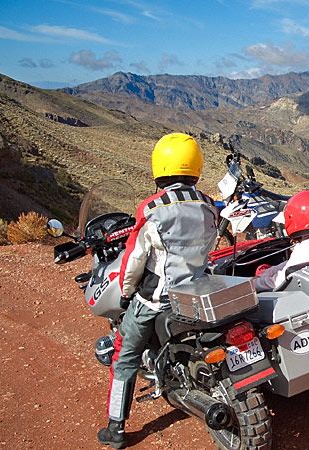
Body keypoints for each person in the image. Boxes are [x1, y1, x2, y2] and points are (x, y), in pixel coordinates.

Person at [97, 133, 218, 449]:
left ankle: (115, 428)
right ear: (196, 165)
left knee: (124, 356)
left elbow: (135, 258)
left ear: (159, 166)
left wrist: (126, 294)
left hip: (157, 299)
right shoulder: (208, 205)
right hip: (197, 292)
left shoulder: (152, 208)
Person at [254, 190, 309, 292]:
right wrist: (268, 272)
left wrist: (252, 283)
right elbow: (291, 264)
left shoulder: (306, 249)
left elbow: (276, 282)